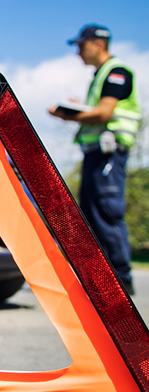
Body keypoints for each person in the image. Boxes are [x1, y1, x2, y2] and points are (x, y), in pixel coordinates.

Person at [49, 24, 141, 295]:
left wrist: (70, 115)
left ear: (98, 44)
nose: (78, 52)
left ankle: (121, 282)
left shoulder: (117, 72)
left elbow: (104, 113)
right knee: (91, 213)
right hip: (95, 155)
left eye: (81, 46)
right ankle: (102, 280)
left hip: (108, 155)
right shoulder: (101, 75)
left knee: (106, 212)